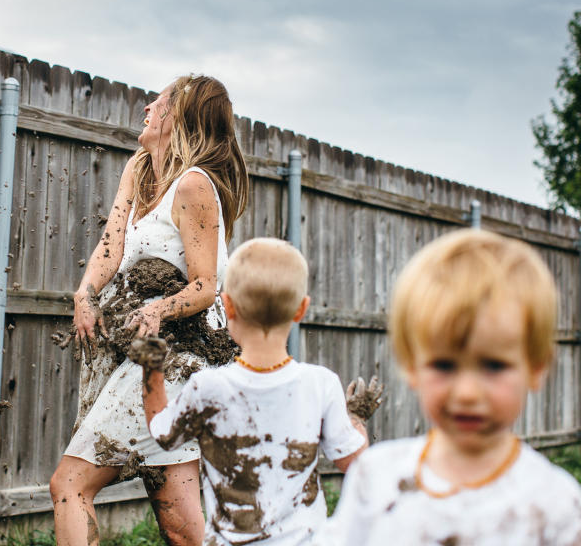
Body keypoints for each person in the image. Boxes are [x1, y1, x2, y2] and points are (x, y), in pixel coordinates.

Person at [50, 74, 249, 545]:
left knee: (69, 485)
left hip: (180, 358)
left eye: (156, 104)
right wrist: (86, 293)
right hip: (141, 355)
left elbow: (205, 286)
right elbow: (111, 241)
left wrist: (160, 308)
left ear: (178, 116)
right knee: (179, 525)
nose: (146, 110)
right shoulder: (140, 171)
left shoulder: (194, 187)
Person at [320, 229, 581, 545]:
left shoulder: (556, 507)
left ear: (536, 367)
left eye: (494, 366)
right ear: (412, 366)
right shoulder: (376, 479)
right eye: (444, 366)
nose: (467, 393)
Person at [129, 237, 382, 545]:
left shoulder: (207, 388)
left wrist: (151, 372)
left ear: (229, 306)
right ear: (302, 309)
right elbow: (359, 466)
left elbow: (163, 433)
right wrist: (356, 417)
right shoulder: (321, 384)